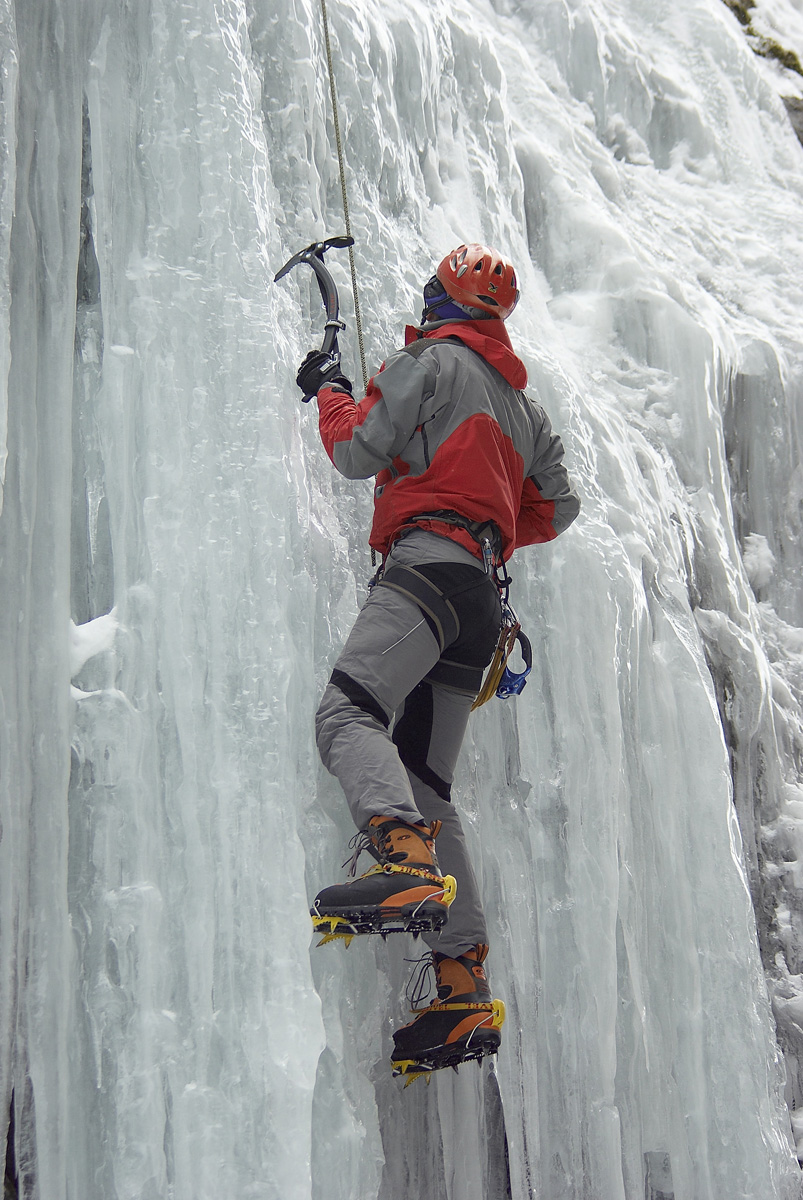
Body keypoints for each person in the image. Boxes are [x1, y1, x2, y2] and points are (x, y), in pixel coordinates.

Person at [296, 242, 580, 1078]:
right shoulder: (525, 412)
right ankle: (460, 987)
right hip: (480, 606)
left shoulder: (427, 362)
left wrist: (329, 389)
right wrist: (485, 520)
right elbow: (557, 505)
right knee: (429, 786)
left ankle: (404, 861)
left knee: (346, 714)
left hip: (425, 571)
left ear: (442, 301)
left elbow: (356, 452)